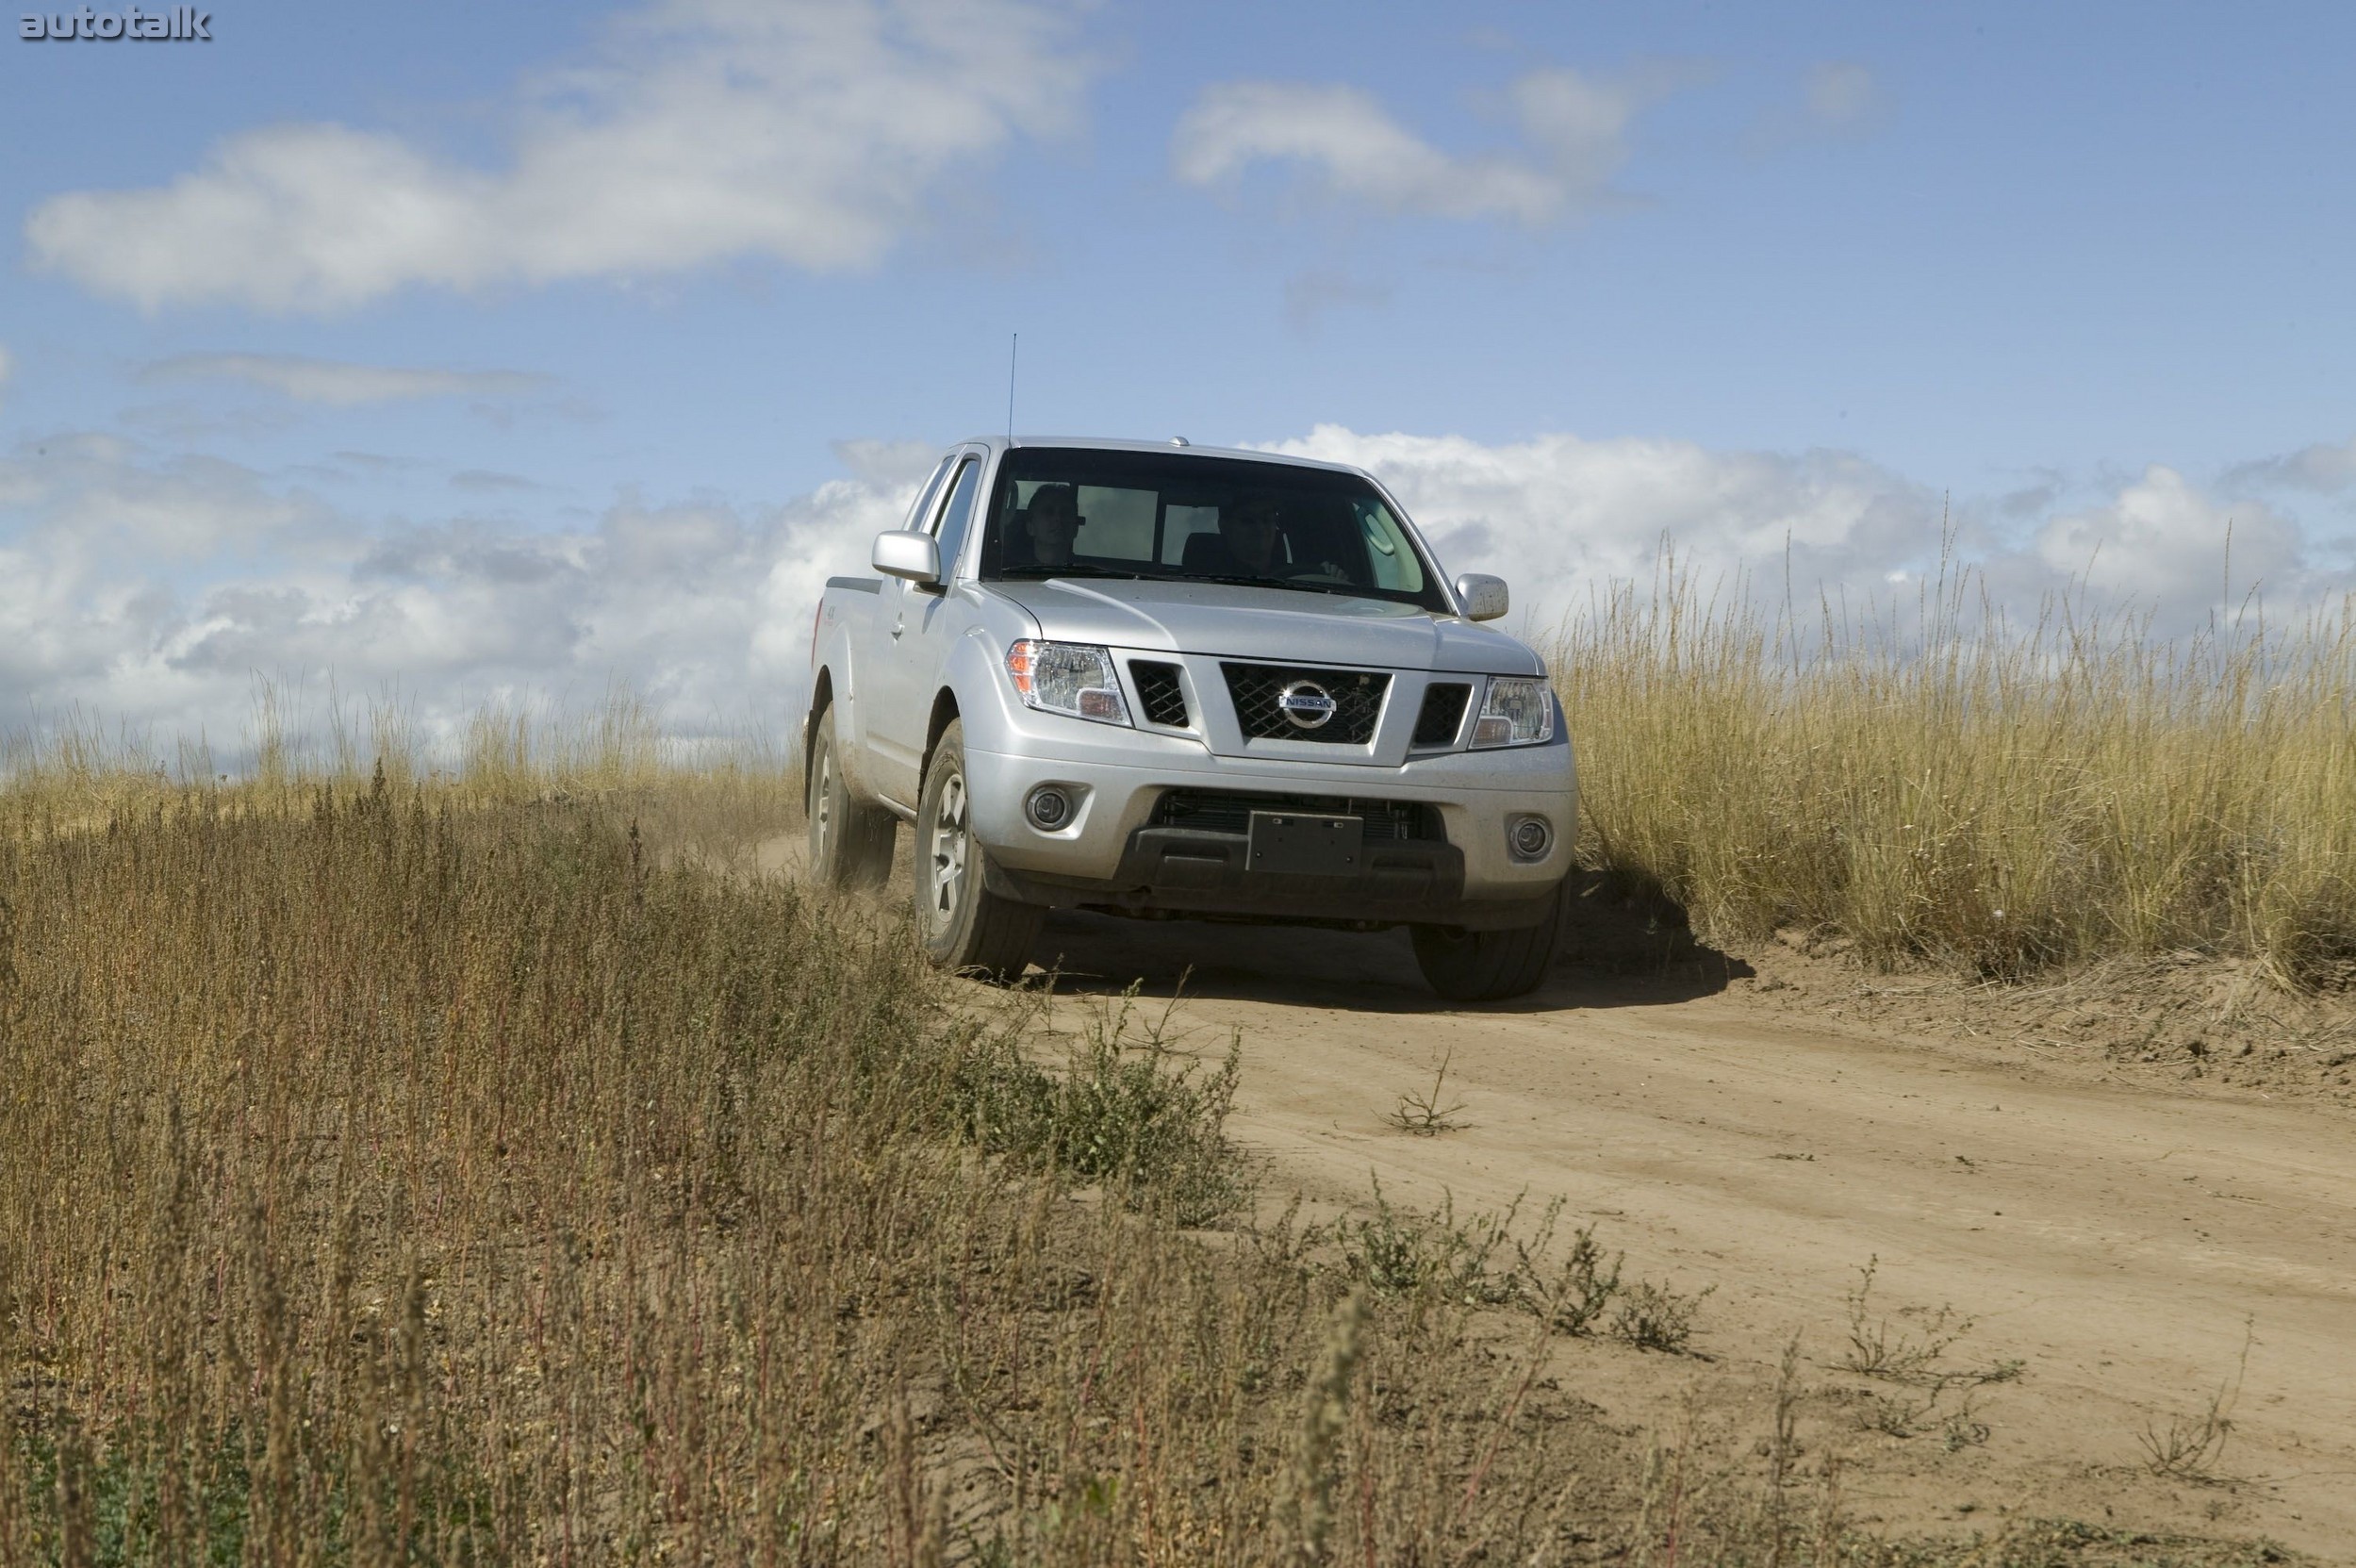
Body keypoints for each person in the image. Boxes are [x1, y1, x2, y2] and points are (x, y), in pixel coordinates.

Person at [1024, 484, 1082, 567]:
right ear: (1030, 527)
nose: (1058, 518)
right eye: (1048, 512)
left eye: (1065, 513)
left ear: (1076, 528)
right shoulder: (1007, 571)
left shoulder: (1093, 575)